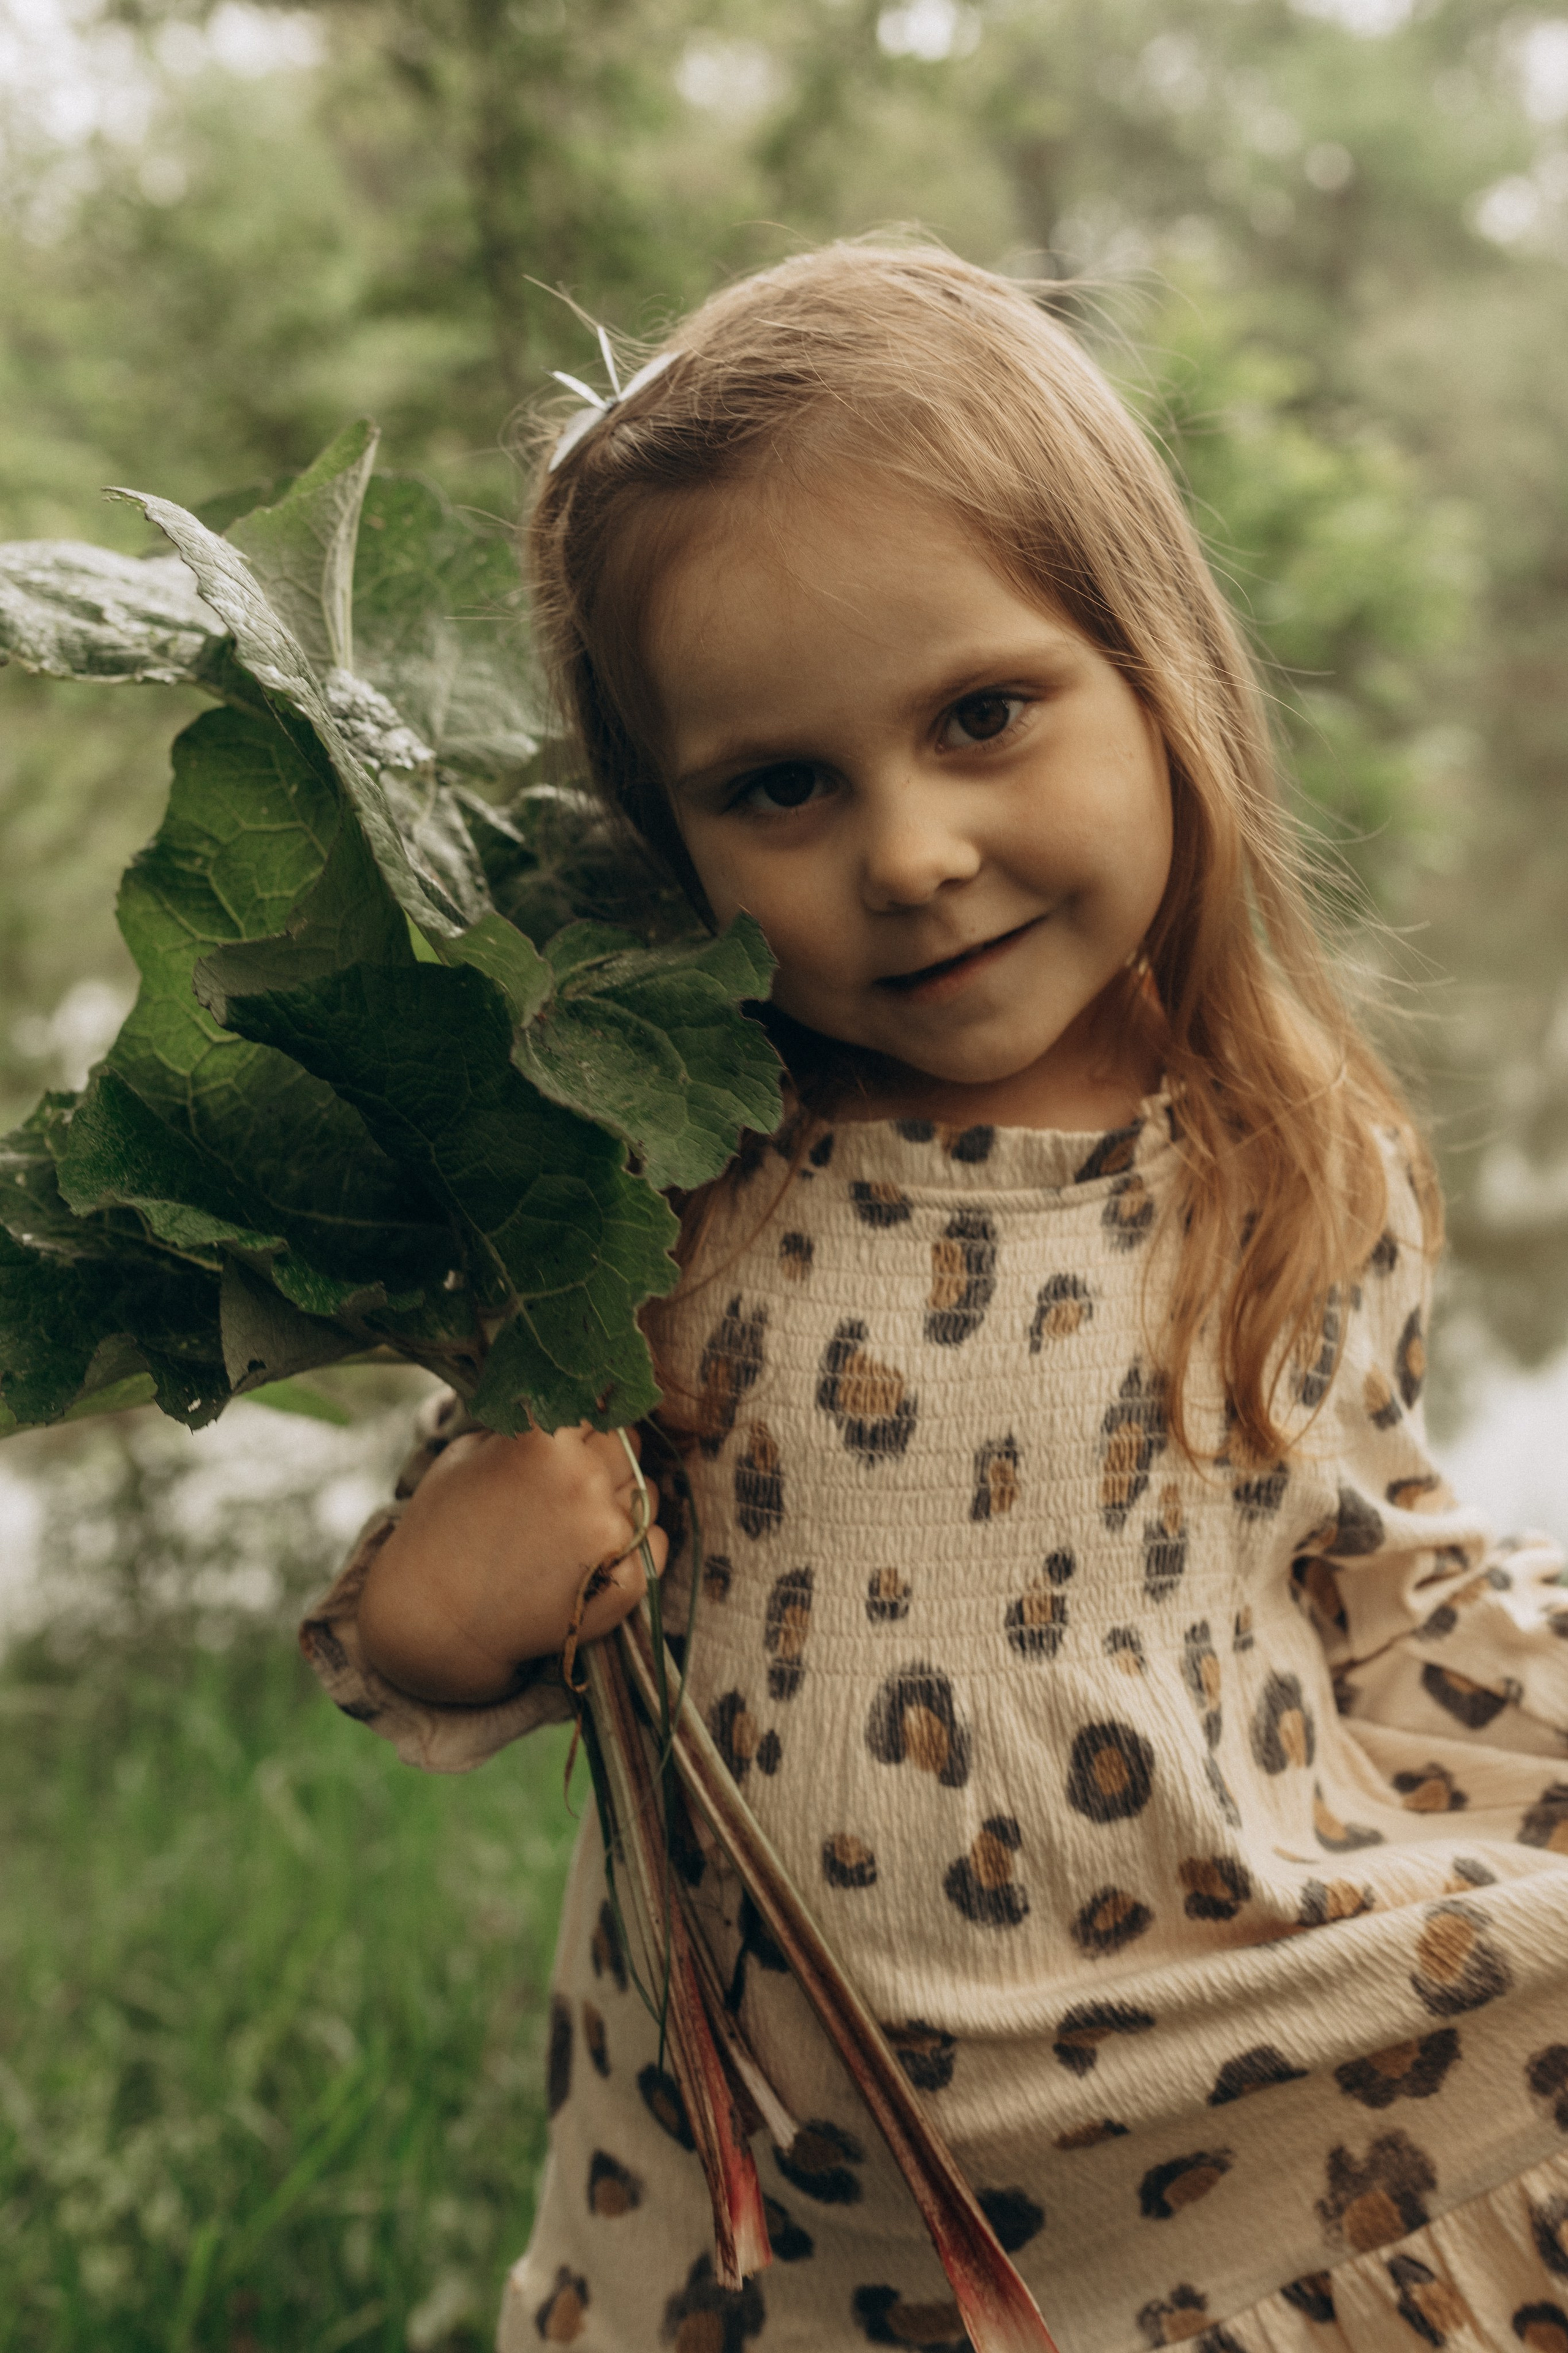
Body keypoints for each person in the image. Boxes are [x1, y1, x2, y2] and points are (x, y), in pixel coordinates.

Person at [300, 243, 1568, 2352]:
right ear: (667, 831)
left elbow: (1373, 1567)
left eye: (983, 717)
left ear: (1161, 677)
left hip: (1183, 2105)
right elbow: (474, 1583)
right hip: (788, 2201)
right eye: (779, 786)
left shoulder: (1286, 1154)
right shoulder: (667, 1176)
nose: (908, 852)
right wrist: (441, 1604)